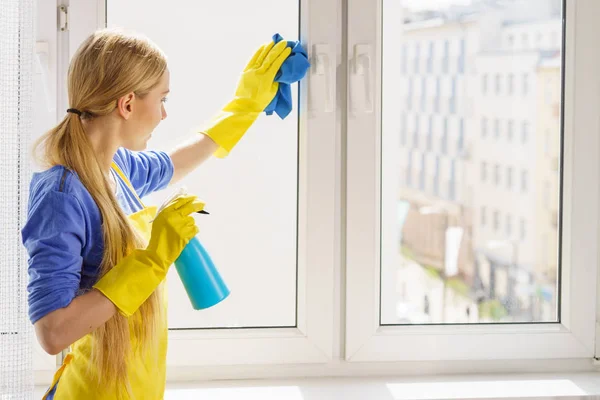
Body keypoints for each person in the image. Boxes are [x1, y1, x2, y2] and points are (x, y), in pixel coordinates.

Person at [21, 28, 291, 399]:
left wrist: (246, 105)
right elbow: (53, 332)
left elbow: (178, 161)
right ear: (127, 104)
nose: (165, 114)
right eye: (162, 99)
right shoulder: (62, 195)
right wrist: (152, 260)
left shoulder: (115, 169)